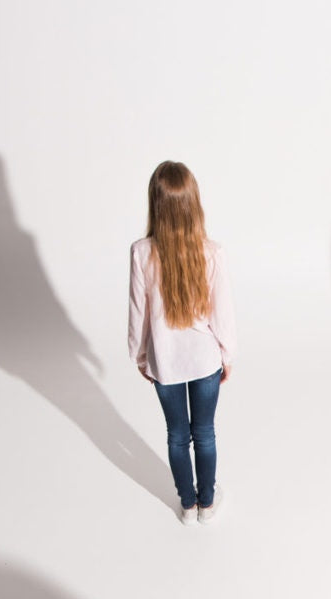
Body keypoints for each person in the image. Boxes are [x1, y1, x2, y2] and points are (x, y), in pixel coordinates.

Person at [129, 161, 236, 524]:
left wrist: (140, 356)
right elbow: (223, 314)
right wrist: (227, 355)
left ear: (155, 203)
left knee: (177, 436)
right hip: (205, 360)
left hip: (165, 360)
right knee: (204, 433)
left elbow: (137, 313)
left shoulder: (142, 252)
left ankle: (187, 506)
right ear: (194, 203)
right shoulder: (211, 252)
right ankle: (207, 504)